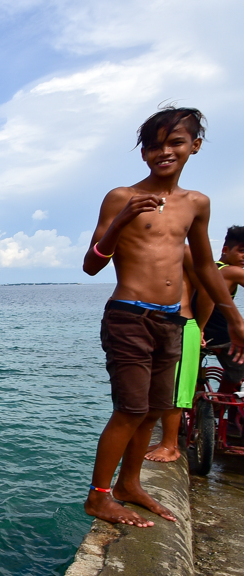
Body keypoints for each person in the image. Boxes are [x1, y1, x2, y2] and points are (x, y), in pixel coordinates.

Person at [82, 107, 244, 527]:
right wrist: (122, 220)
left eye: (175, 142)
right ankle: (99, 496)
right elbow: (91, 264)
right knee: (131, 410)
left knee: (155, 409)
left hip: (173, 320)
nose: (164, 152)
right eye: (154, 145)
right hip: (129, 315)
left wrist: (235, 318)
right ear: (143, 154)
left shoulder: (196, 204)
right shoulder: (121, 197)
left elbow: (207, 267)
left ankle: (130, 485)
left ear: (195, 146)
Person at [143, 246, 202, 463]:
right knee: (162, 388)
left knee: (175, 390)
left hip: (182, 325)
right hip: (160, 326)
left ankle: (170, 445)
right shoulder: (150, 250)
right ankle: (164, 442)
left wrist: (199, 326)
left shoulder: (185, 250)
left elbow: (205, 289)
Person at [194, 226, 244, 394]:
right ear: (225, 250)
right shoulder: (232, 271)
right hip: (220, 336)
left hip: (196, 332)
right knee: (239, 370)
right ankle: (222, 404)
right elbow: (206, 298)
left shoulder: (208, 269)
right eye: (242, 251)